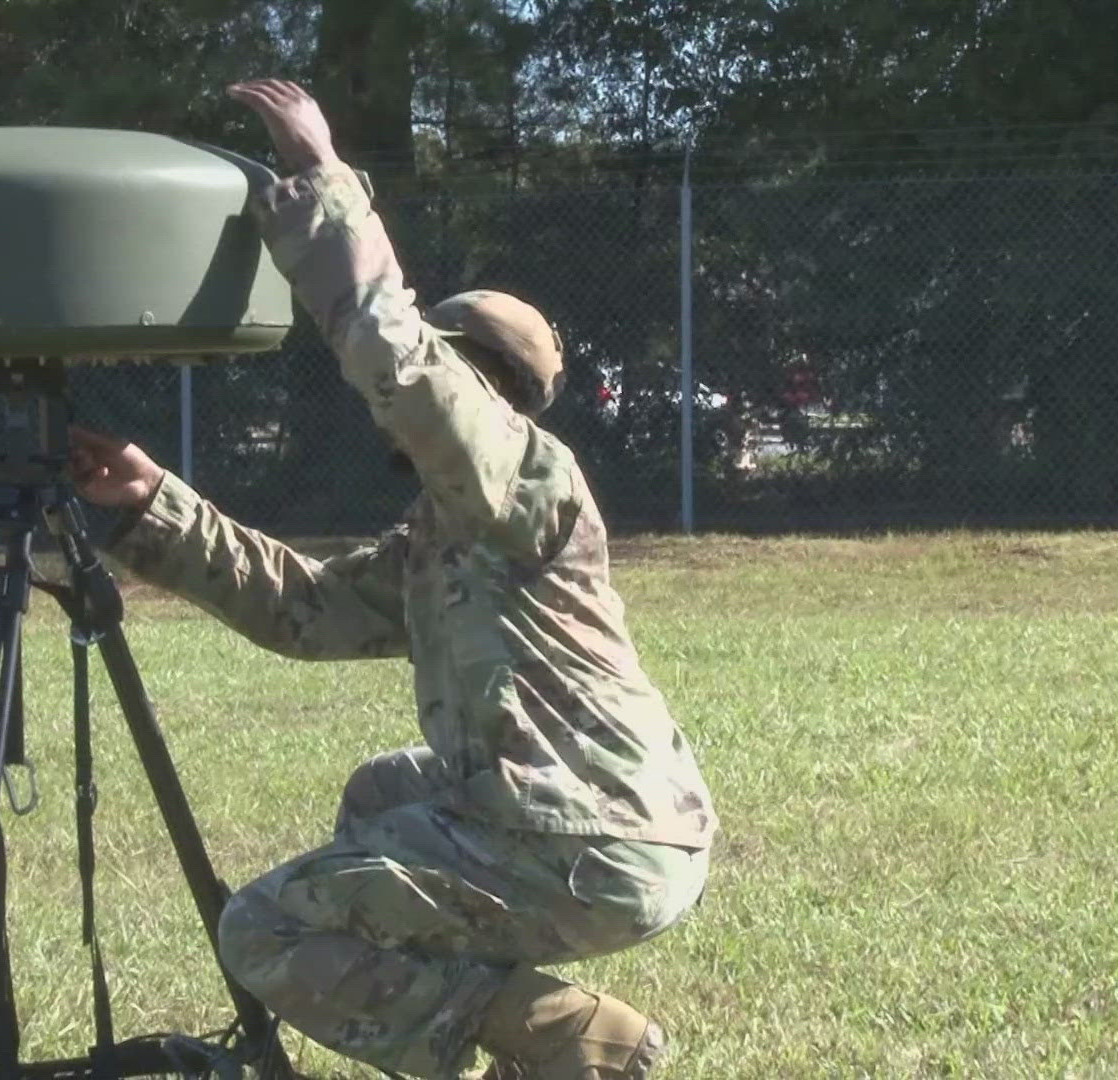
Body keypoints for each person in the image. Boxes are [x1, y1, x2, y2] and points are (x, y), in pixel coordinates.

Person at [68, 79, 716, 1080]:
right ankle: (490, 1037)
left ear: (480, 388)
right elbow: (305, 610)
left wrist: (323, 178)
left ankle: (560, 1036)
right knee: (384, 791)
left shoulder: (525, 475)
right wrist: (155, 502)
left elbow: (398, 357)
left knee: (264, 930)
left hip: (588, 837)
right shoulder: (448, 536)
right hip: (600, 825)